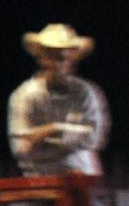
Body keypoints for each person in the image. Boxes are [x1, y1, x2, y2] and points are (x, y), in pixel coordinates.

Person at [8, 23, 110, 177]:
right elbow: (21, 147)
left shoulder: (86, 92)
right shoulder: (25, 95)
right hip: (40, 181)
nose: (58, 65)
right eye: (51, 58)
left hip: (82, 179)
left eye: (63, 58)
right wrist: (74, 139)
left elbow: (95, 138)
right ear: (41, 59)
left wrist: (53, 129)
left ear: (72, 60)